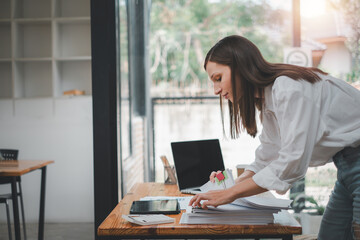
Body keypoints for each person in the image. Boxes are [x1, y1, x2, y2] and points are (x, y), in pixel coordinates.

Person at [188, 35, 360, 240]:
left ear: (240, 67)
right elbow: (267, 157)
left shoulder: (288, 88)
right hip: (347, 167)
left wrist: (230, 194)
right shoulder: (269, 99)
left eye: (218, 78)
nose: (216, 90)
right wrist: (230, 186)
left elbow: (291, 161)